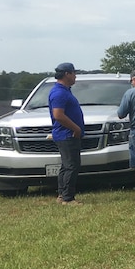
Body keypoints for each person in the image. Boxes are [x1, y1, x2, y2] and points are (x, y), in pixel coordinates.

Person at [49, 62, 84, 205]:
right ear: (67, 74)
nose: (75, 76)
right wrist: (76, 128)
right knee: (71, 165)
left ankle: (62, 195)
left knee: (66, 165)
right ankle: (68, 198)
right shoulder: (59, 93)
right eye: (74, 73)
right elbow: (58, 115)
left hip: (66, 134)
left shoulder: (65, 90)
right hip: (67, 134)